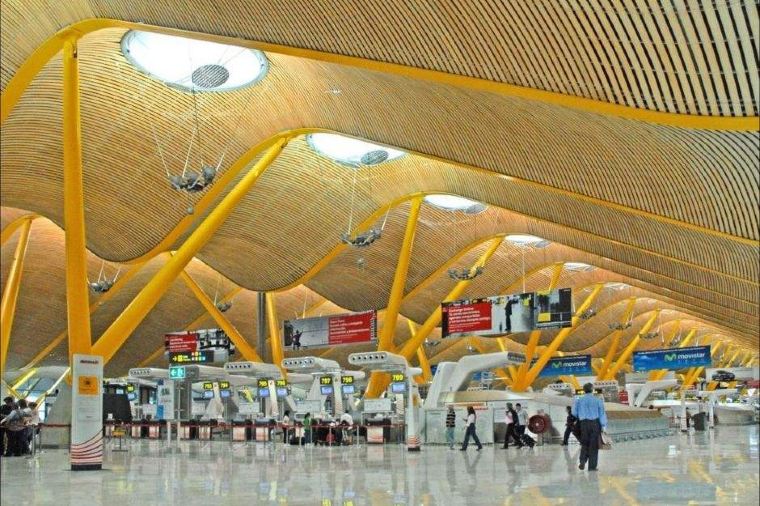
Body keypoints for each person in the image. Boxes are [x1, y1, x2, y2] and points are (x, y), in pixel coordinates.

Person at [572, 383, 608, 471]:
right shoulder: (598, 400)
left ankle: (582, 461)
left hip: (583, 423)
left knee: (584, 443)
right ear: (592, 389)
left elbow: (574, 412)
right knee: (593, 445)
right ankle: (592, 467)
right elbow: (602, 414)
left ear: (584, 390)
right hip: (595, 423)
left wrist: (580, 416)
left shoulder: (578, 400)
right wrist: (604, 425)